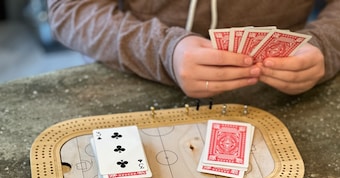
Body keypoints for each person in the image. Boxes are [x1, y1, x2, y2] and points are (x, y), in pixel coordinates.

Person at [47, 0, 340, 98]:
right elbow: (70, 10)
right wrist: (163, 51)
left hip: (279, 90)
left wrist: (326, 43)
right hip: (137, 80)